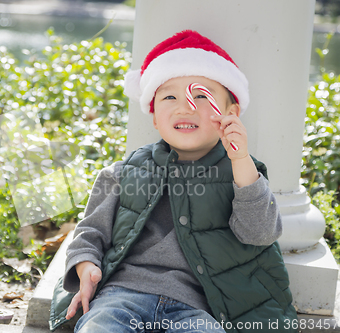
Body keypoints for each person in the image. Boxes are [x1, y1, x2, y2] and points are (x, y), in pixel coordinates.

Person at [49, 30, 298, 333]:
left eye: (202, 96)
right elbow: (89, 232)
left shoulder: (242, 172)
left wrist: (240, 160)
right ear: (154, 116)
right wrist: (87, 267)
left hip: (197, 306)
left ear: (231, 113)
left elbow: (260, 234)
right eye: (170, 96)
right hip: (120, 296)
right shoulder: (124, 171)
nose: (185, 106)